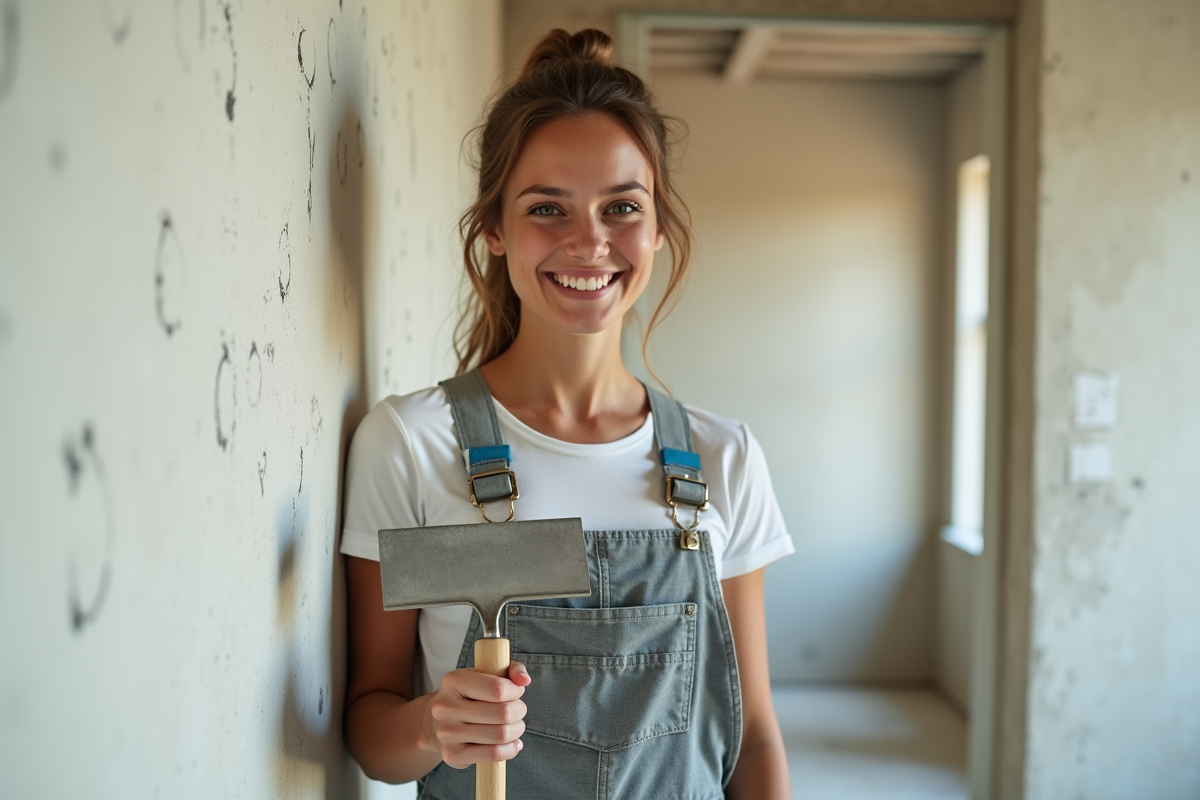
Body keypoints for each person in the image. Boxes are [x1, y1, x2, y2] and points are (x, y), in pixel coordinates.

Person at [341, 28, 794, 799]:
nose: (590, 242)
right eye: (548, 207)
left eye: (622, 206)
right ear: (493, 228)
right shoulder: (411, 444)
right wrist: (430, 725)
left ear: (656, 229)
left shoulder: (725, 458)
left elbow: (752, 737)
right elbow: (371, 732)